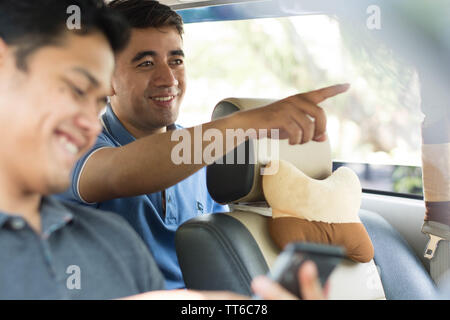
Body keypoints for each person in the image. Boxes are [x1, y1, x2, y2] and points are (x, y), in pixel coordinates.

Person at [0, 0, 345, 299]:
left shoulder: (200, 158)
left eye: (176, 60)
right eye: (145, 63)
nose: (168, 78)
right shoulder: (78, 147)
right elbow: (121, 171)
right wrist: (248, 123)